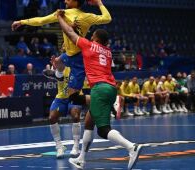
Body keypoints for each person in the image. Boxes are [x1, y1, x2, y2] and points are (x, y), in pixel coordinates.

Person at [57, 10, 141, 170]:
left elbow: (69, 32)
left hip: (100, 88)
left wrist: (60, 18)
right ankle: (81, 158)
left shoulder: (89, 45)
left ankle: (131, 147)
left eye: (92, 35)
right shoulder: (108, 52)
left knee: (103, 131)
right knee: (89, 121)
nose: (90, 37)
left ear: (96, 38)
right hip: (110, 88)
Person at [12, 0, 112, 108]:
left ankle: (105, 102)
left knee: (74, 98)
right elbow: (107, 18)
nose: (65, 0)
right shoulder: (73, 14)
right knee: (58, 61)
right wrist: (99, 3)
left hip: (79, 59)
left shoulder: (65, 14)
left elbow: (41, 21)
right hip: (68, 54)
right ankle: (58, 75)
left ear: (75, 1)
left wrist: (21, 22)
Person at [45, 66, 82, 158]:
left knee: (76, 116)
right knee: (52, 117)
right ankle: (59, 147)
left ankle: (76, 146)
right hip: (61, 97)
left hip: (74, 96)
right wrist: (52, 71)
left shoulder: (77, 65)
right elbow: (48, 73)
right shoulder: (60, 65)